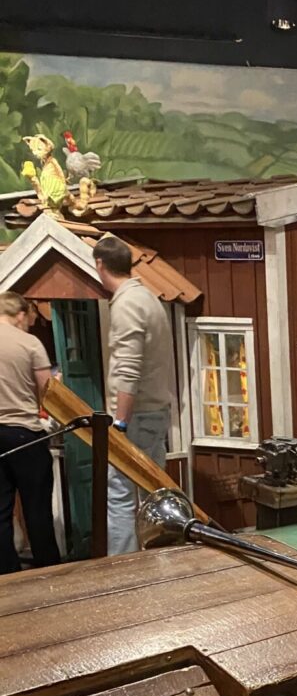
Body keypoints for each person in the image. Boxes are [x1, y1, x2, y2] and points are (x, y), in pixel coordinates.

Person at [93, 234, 175, 555]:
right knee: (155, 492)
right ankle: (161, 560)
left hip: (136, 416)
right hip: (156, 410)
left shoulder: (126, 304)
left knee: (120, 494)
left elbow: (128, 370)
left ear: (100, 264)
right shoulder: (148, 298)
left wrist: (120, 424)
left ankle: (124, 568)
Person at [0, 292, 60, 575]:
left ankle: (7, 575)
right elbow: (47, 391)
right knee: (37, 509)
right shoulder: (29, 343)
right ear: (21, 315)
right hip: (25, 432)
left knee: (1, 511)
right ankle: (47, 572)